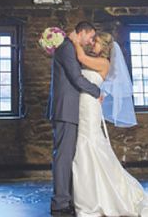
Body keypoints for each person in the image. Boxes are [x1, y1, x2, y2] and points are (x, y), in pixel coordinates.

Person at [69, 31, 148, 217]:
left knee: (88, 144)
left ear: (103, 47)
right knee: (86, 146)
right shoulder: (94, 60)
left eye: (95, 42)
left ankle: (98, 198)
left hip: (90, 107)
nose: (92, 44)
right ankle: (92, 193)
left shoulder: (103, 63)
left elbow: (79, 57)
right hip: (84, 105)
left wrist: (74, 41)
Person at [47, 21, 101, 216]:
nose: (91, 40)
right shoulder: (67, 48)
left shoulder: (69, 47)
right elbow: (76, 78)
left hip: (69, 110)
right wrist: (97, 91)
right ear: (82, 32)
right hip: (65, 110)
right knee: (63, 157)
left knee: (67, 155)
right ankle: (60, 203)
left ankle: (66, 198)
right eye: (90, 36)